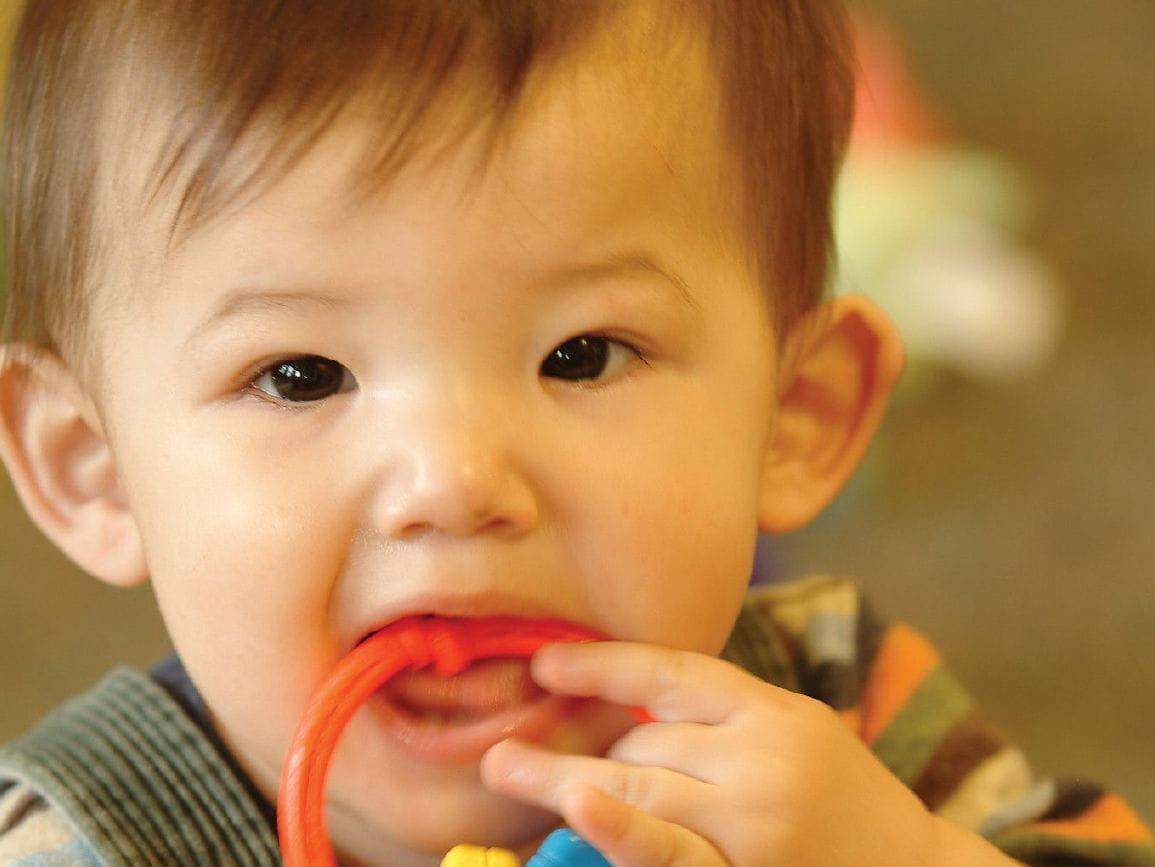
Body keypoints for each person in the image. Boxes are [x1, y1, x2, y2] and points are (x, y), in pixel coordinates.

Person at [0, 1, 1150, 865]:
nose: (452, 484)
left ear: (793, 419)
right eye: (301, 376)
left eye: (582, 355)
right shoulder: (72, 841)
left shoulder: (846, 722)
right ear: (90, 468)